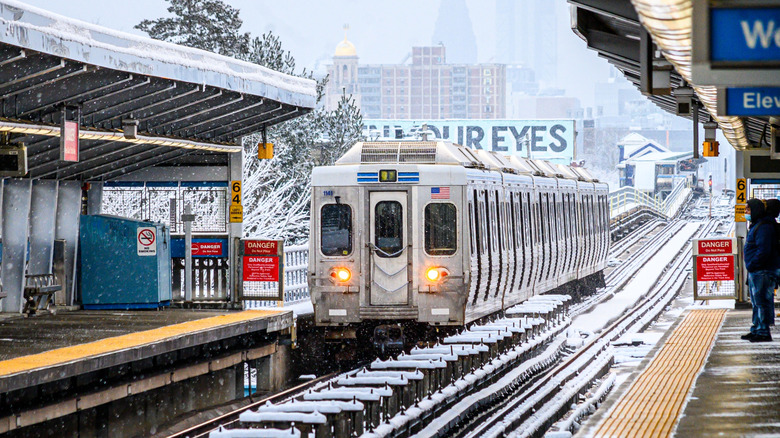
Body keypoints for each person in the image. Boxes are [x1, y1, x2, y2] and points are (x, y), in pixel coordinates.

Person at [742, 198, 779, 342]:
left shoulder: (764, 227)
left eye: (748, 210)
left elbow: (764, 250)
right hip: (757, 270)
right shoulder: (758, 224)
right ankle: (757, 328)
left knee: (762, 301)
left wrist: (752, 264)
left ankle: (763, 332)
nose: (746, 212)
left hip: (762, 270)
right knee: (757, 301)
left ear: (756, 210)